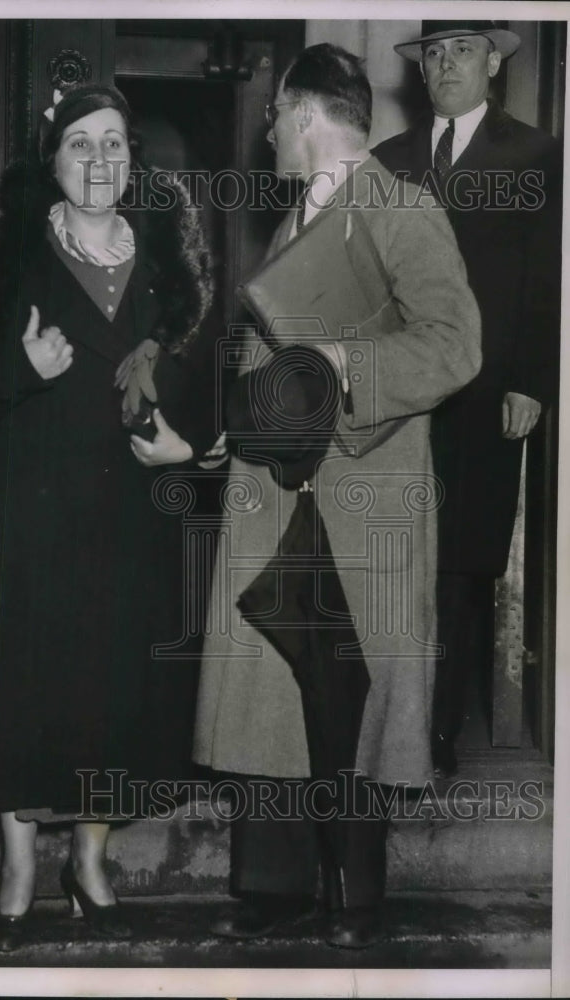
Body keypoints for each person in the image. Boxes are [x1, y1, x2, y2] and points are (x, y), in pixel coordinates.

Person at [193, 43, 482, 948]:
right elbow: (271, 363)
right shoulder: (293, 220)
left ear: (305, 110)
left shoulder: (401, 206)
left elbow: (456, 345)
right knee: (283, 688)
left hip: (365, 496)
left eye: (276, 115)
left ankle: (353, 897)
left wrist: (345, 367)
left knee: (352, 697)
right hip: (281, 490)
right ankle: (279, 888)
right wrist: (232, 424)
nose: (269, 130)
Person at [0, 83, 217, 949]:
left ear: (135, 160)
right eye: (80, 144)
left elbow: (206, 382)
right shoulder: (4, 250)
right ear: (50, 159)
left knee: (116, 690)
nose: (99, 162)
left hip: (133, 517)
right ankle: (17, 872)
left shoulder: (174, 261)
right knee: (25, 688)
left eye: (115, 144)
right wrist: (19, 368)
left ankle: (88, 863)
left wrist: (189, 447)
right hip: (29, 516)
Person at [373, 21, 562, 778]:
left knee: (463, 558)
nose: (446, 63)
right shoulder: (388, 163)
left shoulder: (538, 157)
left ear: (493, 62)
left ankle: (440, 728)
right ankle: (392, 729)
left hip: (488, 391)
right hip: (403, 393)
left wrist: (532, 380)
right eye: (434, 52)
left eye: (463, 49)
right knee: (400, 553)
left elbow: (548, 279)